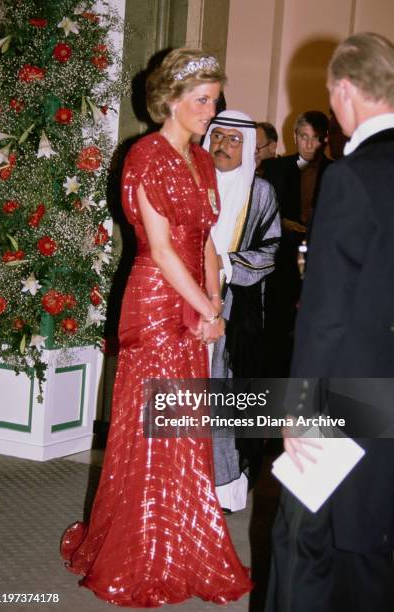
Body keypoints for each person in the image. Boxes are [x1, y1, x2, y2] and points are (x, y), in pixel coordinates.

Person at [60, 48, 252, 607]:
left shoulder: (199, 159)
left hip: (195, 294)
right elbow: (164, 251)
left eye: (214, 100)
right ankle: (144, 549)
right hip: (156, 299)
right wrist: (207, 310)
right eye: (201, 100)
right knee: (151, 425)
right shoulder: (145, 155)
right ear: (170, 99)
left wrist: (216, 300)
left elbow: (208, 242)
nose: (210, 110)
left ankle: (182, 541)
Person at [265, 32, 394, 612]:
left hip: (350, 394)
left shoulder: (349, 177)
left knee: (305, 543)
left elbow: (324, 315)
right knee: (374, 541)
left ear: (345, 90)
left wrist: (296, 411)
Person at [203, 110, 280, 511]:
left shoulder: (261, 192)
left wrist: (225, 265)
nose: (224, 145)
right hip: (185, 300)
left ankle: (223, 487)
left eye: (235, 140)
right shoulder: (193, 182)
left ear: (248, 146)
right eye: (219, 136)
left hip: (235, 304)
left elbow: (271, 251)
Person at [261, 111, 332, 376]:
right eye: (304, 137)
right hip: (281, 258)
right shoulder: (276, 168)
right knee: (276, 327)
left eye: (315, 139)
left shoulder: (335, 171)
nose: (310, 145)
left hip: (319, 262)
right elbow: (263, 212)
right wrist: (282, 223)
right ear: (295, 137)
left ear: (324, 140)